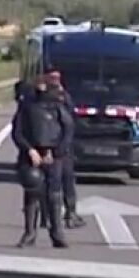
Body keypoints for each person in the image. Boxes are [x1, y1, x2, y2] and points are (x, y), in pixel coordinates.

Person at [11, 75, 72, 248]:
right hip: (31, 154)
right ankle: (30, 233)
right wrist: (29, 150)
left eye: (44, 85)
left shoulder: (58, 106)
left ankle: (57, 233)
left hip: (53, 155)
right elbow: (17, 132)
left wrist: (56, 151)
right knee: (31, 190)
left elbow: (68, 130)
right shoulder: (26, 106)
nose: (41, 88)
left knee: (54, 194)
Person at [45, 69, 84, 229]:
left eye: (58, 78)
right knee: (51, 183)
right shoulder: (42, 97)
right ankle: (50, 216)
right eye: (52, 78)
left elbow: (71, 118)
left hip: (64, 147)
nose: (55, 80)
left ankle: (70, 213)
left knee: (67, 181)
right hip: (50, 146)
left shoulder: (63, 97)